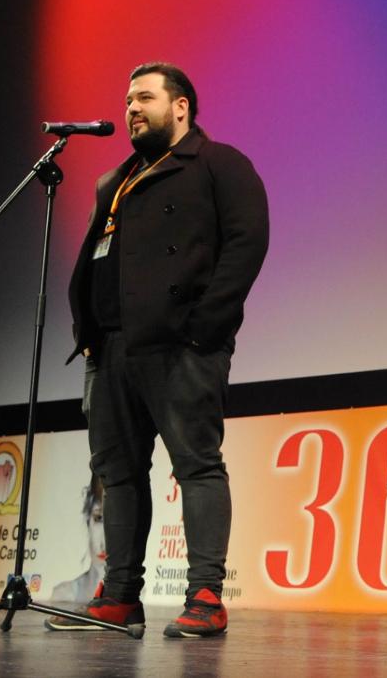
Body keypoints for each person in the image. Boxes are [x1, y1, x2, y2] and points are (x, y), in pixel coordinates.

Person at [47, 62, 269, 638]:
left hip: (181, 345)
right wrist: (88, 336)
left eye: (144, 97)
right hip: (111, 349)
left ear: (181, 108)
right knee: (117, 475)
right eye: (126, 101)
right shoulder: (115, 180)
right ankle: (121, 593)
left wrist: (206, 328)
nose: (130, 109)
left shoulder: (219, 164)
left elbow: (247, 242)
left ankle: (204, 594)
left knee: (196, 465)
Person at [51, 475, 106, 603]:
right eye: (99, 519)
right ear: (88, 521)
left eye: (116, 522)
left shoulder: (143, 595)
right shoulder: (63, 594)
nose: (104, 543)